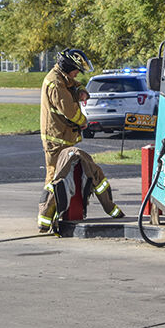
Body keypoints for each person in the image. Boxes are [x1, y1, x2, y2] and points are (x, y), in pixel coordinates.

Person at [37, 48, 92, 231]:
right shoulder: (55, 84)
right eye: (76, 70)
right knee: (55, 178)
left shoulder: (62, 78)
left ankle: (57, 216)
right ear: (68, 67)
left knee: (63, 177)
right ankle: (45, 220)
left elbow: (74, 84)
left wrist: (82, 90)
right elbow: (69, 110)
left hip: (64, 137)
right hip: (56, 139)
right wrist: (83, 121)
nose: (77, 74)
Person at [38, 147, 124, 233]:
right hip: (71, 155)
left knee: (56, 189)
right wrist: (116, 213)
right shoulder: (90, 169)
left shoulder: (59, 179)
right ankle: (45, 224)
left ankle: (44, 225)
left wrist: (44, 226)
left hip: (66, 156)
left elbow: (49, 201)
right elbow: (103, 193)